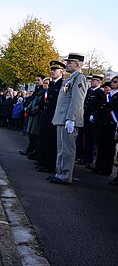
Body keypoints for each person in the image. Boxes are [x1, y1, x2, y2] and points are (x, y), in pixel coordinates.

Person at [49, 53, 88, 184]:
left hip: (69, 119)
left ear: (78, 64)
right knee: (61, 148)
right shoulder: (70, 78)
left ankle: (65, 176)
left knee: (67, 149)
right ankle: (59, 172)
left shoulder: (79, 78)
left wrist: (71, 118)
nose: (67, 64)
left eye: (70, 62)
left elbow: (77, 100)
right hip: (62, 118)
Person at [37, 61, 65, 173]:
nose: (52, 71)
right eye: (51, 70)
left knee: (51, 142)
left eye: (55, 70)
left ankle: (49, 165)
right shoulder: (52, 84)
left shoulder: (62, 84)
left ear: (61, 72)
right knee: (44, 140)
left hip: (54, 117)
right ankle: (43, 162)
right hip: (47, 116)